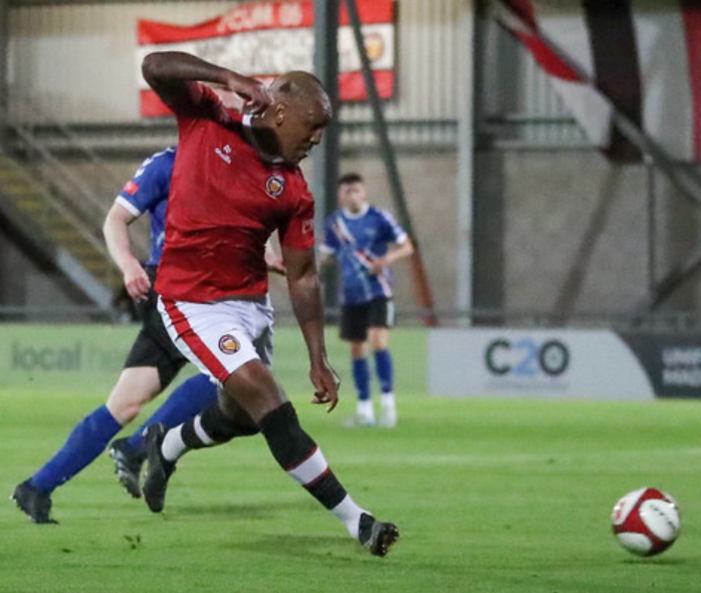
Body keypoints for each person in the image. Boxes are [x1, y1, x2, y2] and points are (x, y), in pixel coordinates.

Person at [136, 51, 398, 557]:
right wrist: (226, 77)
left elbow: (302, 277)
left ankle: (164, 446)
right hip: (191, 301)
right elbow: (153, 66)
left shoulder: (295, 191)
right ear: (280, 111)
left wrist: (319, 358)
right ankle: (358, 521)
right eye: (313, 125)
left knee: (239, 417)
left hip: (250, 306)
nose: (317, 139)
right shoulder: (209, 118)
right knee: (267, 398)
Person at [11, 146, 219, 524]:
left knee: (122, 405)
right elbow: (115, 219)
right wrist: (128, 266)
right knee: (228, 374)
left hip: (196, 293)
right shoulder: (167, 163)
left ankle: (37, 487)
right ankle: (137, 447)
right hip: (172, 292)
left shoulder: (231, 162)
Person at [319, 173, 414, 428]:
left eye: (355, 190)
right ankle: (364, 409)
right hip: (351, 294)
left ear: (364, 193)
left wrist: (386, 261)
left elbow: (407, 246)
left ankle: (388, 404)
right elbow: (326, 255)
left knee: (378, 341)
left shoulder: (379, 218)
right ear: (340, 196)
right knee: (357, 349)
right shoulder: (335, 224)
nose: (351, 195)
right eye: (346, 191)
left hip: (378, 290)